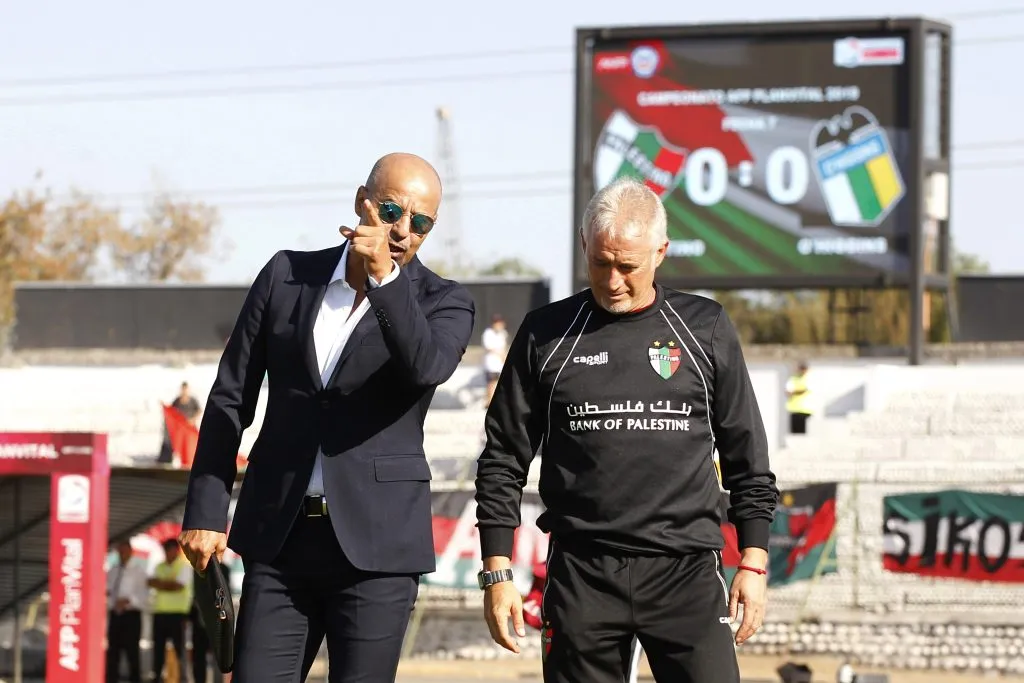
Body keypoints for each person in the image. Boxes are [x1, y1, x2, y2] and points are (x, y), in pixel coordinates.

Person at [177, 152, 476, 682]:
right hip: (280, 537)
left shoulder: (445, 301)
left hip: (379, 548)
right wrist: (205, 509)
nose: (403, 231)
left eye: (421, 223)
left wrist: (385, 280)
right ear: (362, 202)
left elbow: (424, 367)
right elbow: (230, 397)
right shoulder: (287, 275)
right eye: (391, 211)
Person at [473, 176, 779, 683]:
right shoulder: (545, 333)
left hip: (685, 571)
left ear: (661, 251)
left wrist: (753, 559)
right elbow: (503, 458)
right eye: (600, 262)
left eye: (627, 266)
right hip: (582, 574)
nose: (612, 280)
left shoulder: (705, 327)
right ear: (583, 246)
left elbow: (748, 457)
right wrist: (498, 571)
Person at [148, 538, 194, 682]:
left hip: (178, 614)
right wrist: (168, 584)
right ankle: (157, 677)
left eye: (170, 550)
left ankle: (183, 678)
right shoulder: (159, 566)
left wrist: (161, 584)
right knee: (158, 650)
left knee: (180, 650)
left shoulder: (184, 566)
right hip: (160, 613)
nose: (167, 553)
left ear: (176, 550)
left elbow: (177, 586)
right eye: (166, 550)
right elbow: (150, 582)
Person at [105, 539, 148, 683]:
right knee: (113, 652)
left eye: (124, 550)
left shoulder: (138, 571)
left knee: (132, 653)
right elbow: (108, 590)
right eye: (120, 551)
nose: (122, 553)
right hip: (115, 614)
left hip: (131, 615)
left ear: (130, 551)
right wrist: (113, 602)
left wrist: (129, 601)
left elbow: (143, 595)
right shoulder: (113, 570)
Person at [481, 314, 508, 406]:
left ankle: (494, 401)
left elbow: (504, 347)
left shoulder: (503, 333)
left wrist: (504, 357)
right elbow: (489, 347)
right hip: (491, 363)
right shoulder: (488, 333)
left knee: (498, 383)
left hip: (500, 363)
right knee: (491, 383)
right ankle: (489, 401)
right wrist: (499, 353)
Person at [786, 361, 813, 434]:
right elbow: (788, 392)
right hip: (794, 410)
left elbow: (805, 390)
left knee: (804, 436)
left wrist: (794, 392)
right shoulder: (793, 378)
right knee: (795, 434)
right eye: (801, 368)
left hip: (806, 410)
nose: (803, 370)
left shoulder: (809, 378)